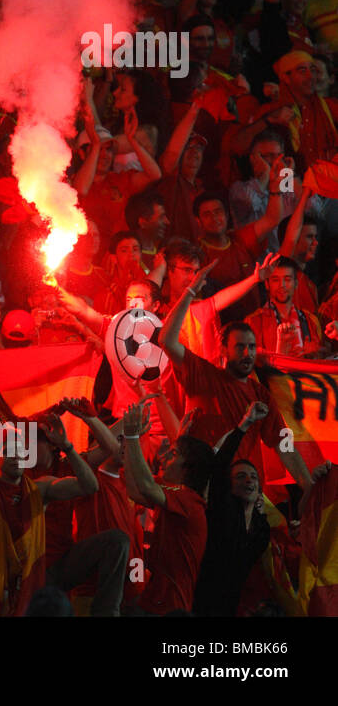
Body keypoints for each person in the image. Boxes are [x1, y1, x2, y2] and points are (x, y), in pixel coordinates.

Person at [161, 264, 313, 491]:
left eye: (251, 347)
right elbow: (166, 340)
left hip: (241, 493)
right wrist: (191, 292)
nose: (247, 353)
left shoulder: (259, 394)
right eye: (240, 346)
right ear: (223, 350)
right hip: (201, 488)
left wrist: (308, 485)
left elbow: (284, 443)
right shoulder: (203, 375)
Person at [0, 414, 100, 615]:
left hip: (32, 594)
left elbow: (90, 487)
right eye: (7, 451)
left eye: (20, 450)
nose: (15, 456)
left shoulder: (40, 490)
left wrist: (66, 446)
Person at [120, 402, 215, 614]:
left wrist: (133, 437)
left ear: (188, 466)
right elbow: (135, 490)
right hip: (153, 599)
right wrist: (129, 440)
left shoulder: (190, 501)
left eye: (173, 454)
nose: (163, 458)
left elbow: (144, 485)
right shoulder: (172, 491)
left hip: (172, 608)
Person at [192, 401, 273, 616]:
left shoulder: (262, 528)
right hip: (200, 606)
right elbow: (219, 466)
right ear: (229, 485)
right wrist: (245, 424)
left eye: (253, 477)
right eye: (241, 476)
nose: (249, 481)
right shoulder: (221, 510)